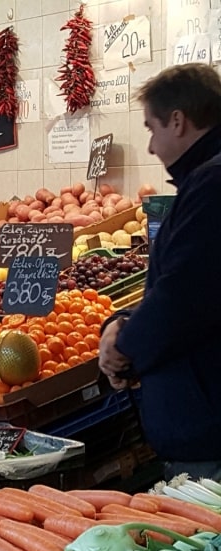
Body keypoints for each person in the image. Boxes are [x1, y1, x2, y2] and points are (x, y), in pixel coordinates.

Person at [99, 63, 221, 481]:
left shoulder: (212, 185)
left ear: (177, 120)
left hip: (207, 425)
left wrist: (122, 349)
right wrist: (124, 320)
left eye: (151, 128)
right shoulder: (203, 181)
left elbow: (183, 298)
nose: (150, 147)